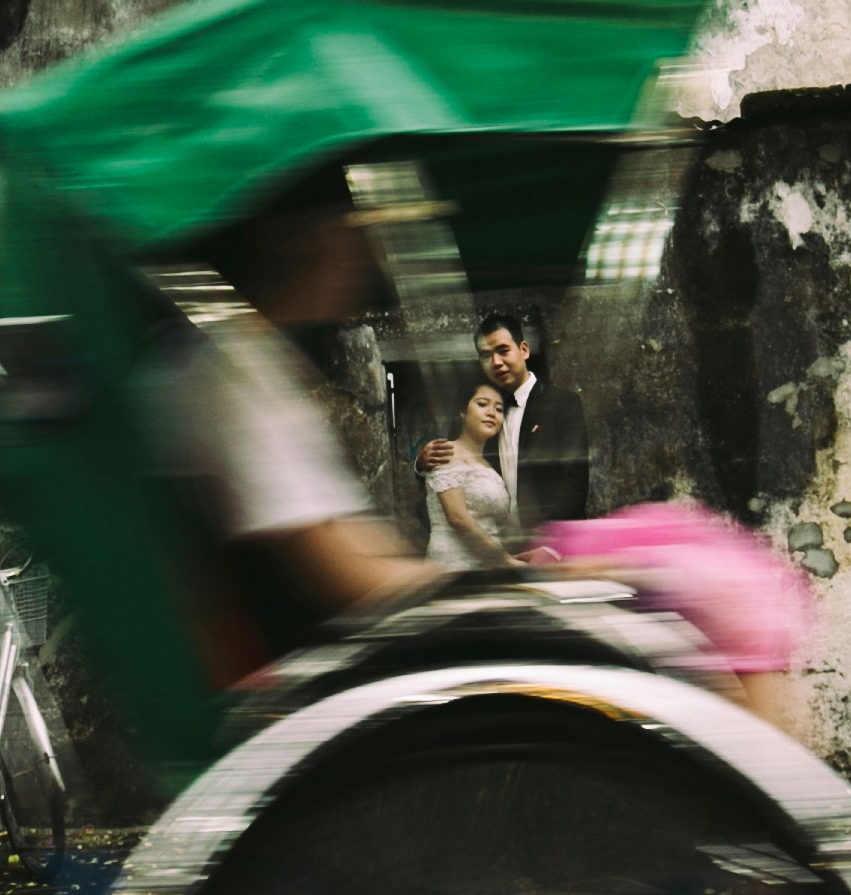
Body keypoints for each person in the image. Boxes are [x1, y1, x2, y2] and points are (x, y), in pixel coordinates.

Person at [156, 166, 441, 678]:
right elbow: (339, 574)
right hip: (284, 673)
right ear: (292, 241)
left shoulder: (253, 360)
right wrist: (478, 592)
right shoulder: (228, 372)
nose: (363, 258)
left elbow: (348, 539)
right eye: (347, 235)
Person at [419, 311, 591, 528]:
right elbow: (451, 468)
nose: (496, 362)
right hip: (496, 546)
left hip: (550, 546)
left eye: (503, 351)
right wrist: (422, 464)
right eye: (485, 355)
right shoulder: (479, 410)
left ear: (524, 350)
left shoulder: (562, 403)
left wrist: (551, 547)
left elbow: (574, 482)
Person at [420, 384, 515, 567]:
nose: (491, 413)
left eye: (499, 409)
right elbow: (458, 518)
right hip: (454, 563)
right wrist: (507, 561)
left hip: (489, 563)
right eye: (482, 404)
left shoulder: (490, 466)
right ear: (463, 411)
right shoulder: (445, 452)